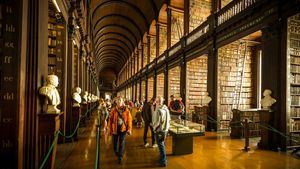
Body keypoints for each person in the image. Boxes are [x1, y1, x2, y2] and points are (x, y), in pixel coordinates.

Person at [108, 97, 132, 164]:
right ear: (116, 102)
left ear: (122, 101)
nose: (119, 102)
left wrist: (129, 129)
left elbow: (129, 120)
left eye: (120, 100)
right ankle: (116, 152)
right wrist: (109, 130)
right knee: (114, 143)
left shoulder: (126, 110)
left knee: (122, 143)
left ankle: (120, 157)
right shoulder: (113, 110)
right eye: (118, 101)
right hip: (115, 128)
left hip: (123, 129)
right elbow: (110, 120)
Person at [152, 96, 171, 167]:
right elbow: (169, 120)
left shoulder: (159, 110)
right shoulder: (166, 109)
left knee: (161, 145)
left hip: (159, 130)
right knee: (162, 144)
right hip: (165, 130)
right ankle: (162, 158)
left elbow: (157, 122)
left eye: (158, 101)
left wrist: (154, 129)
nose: (157, 102)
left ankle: (163, 161)